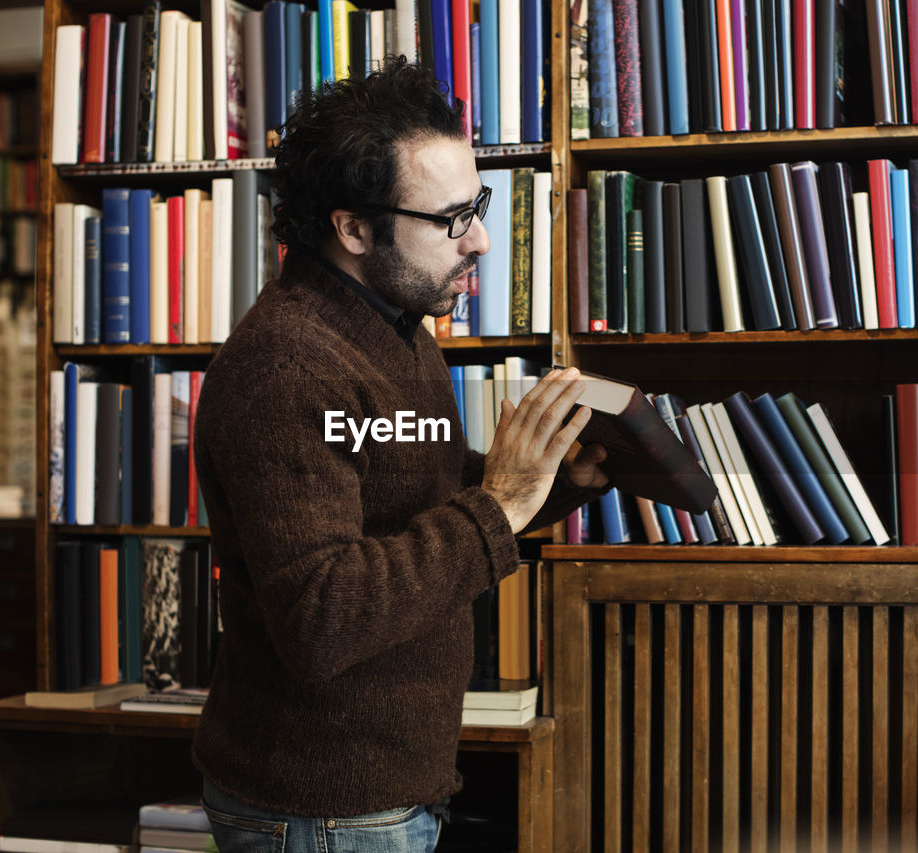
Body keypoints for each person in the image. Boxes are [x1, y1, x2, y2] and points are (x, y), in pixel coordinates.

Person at [191, 57, 607, 853]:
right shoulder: (288, 367)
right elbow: (322, 617)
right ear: (352, 228)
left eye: (478, 205)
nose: (481, 239)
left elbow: (412, 495)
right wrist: (503, 506)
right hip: (319, 810)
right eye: (453, 217)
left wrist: (552, 483)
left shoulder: (395, 325)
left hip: (383, 791)